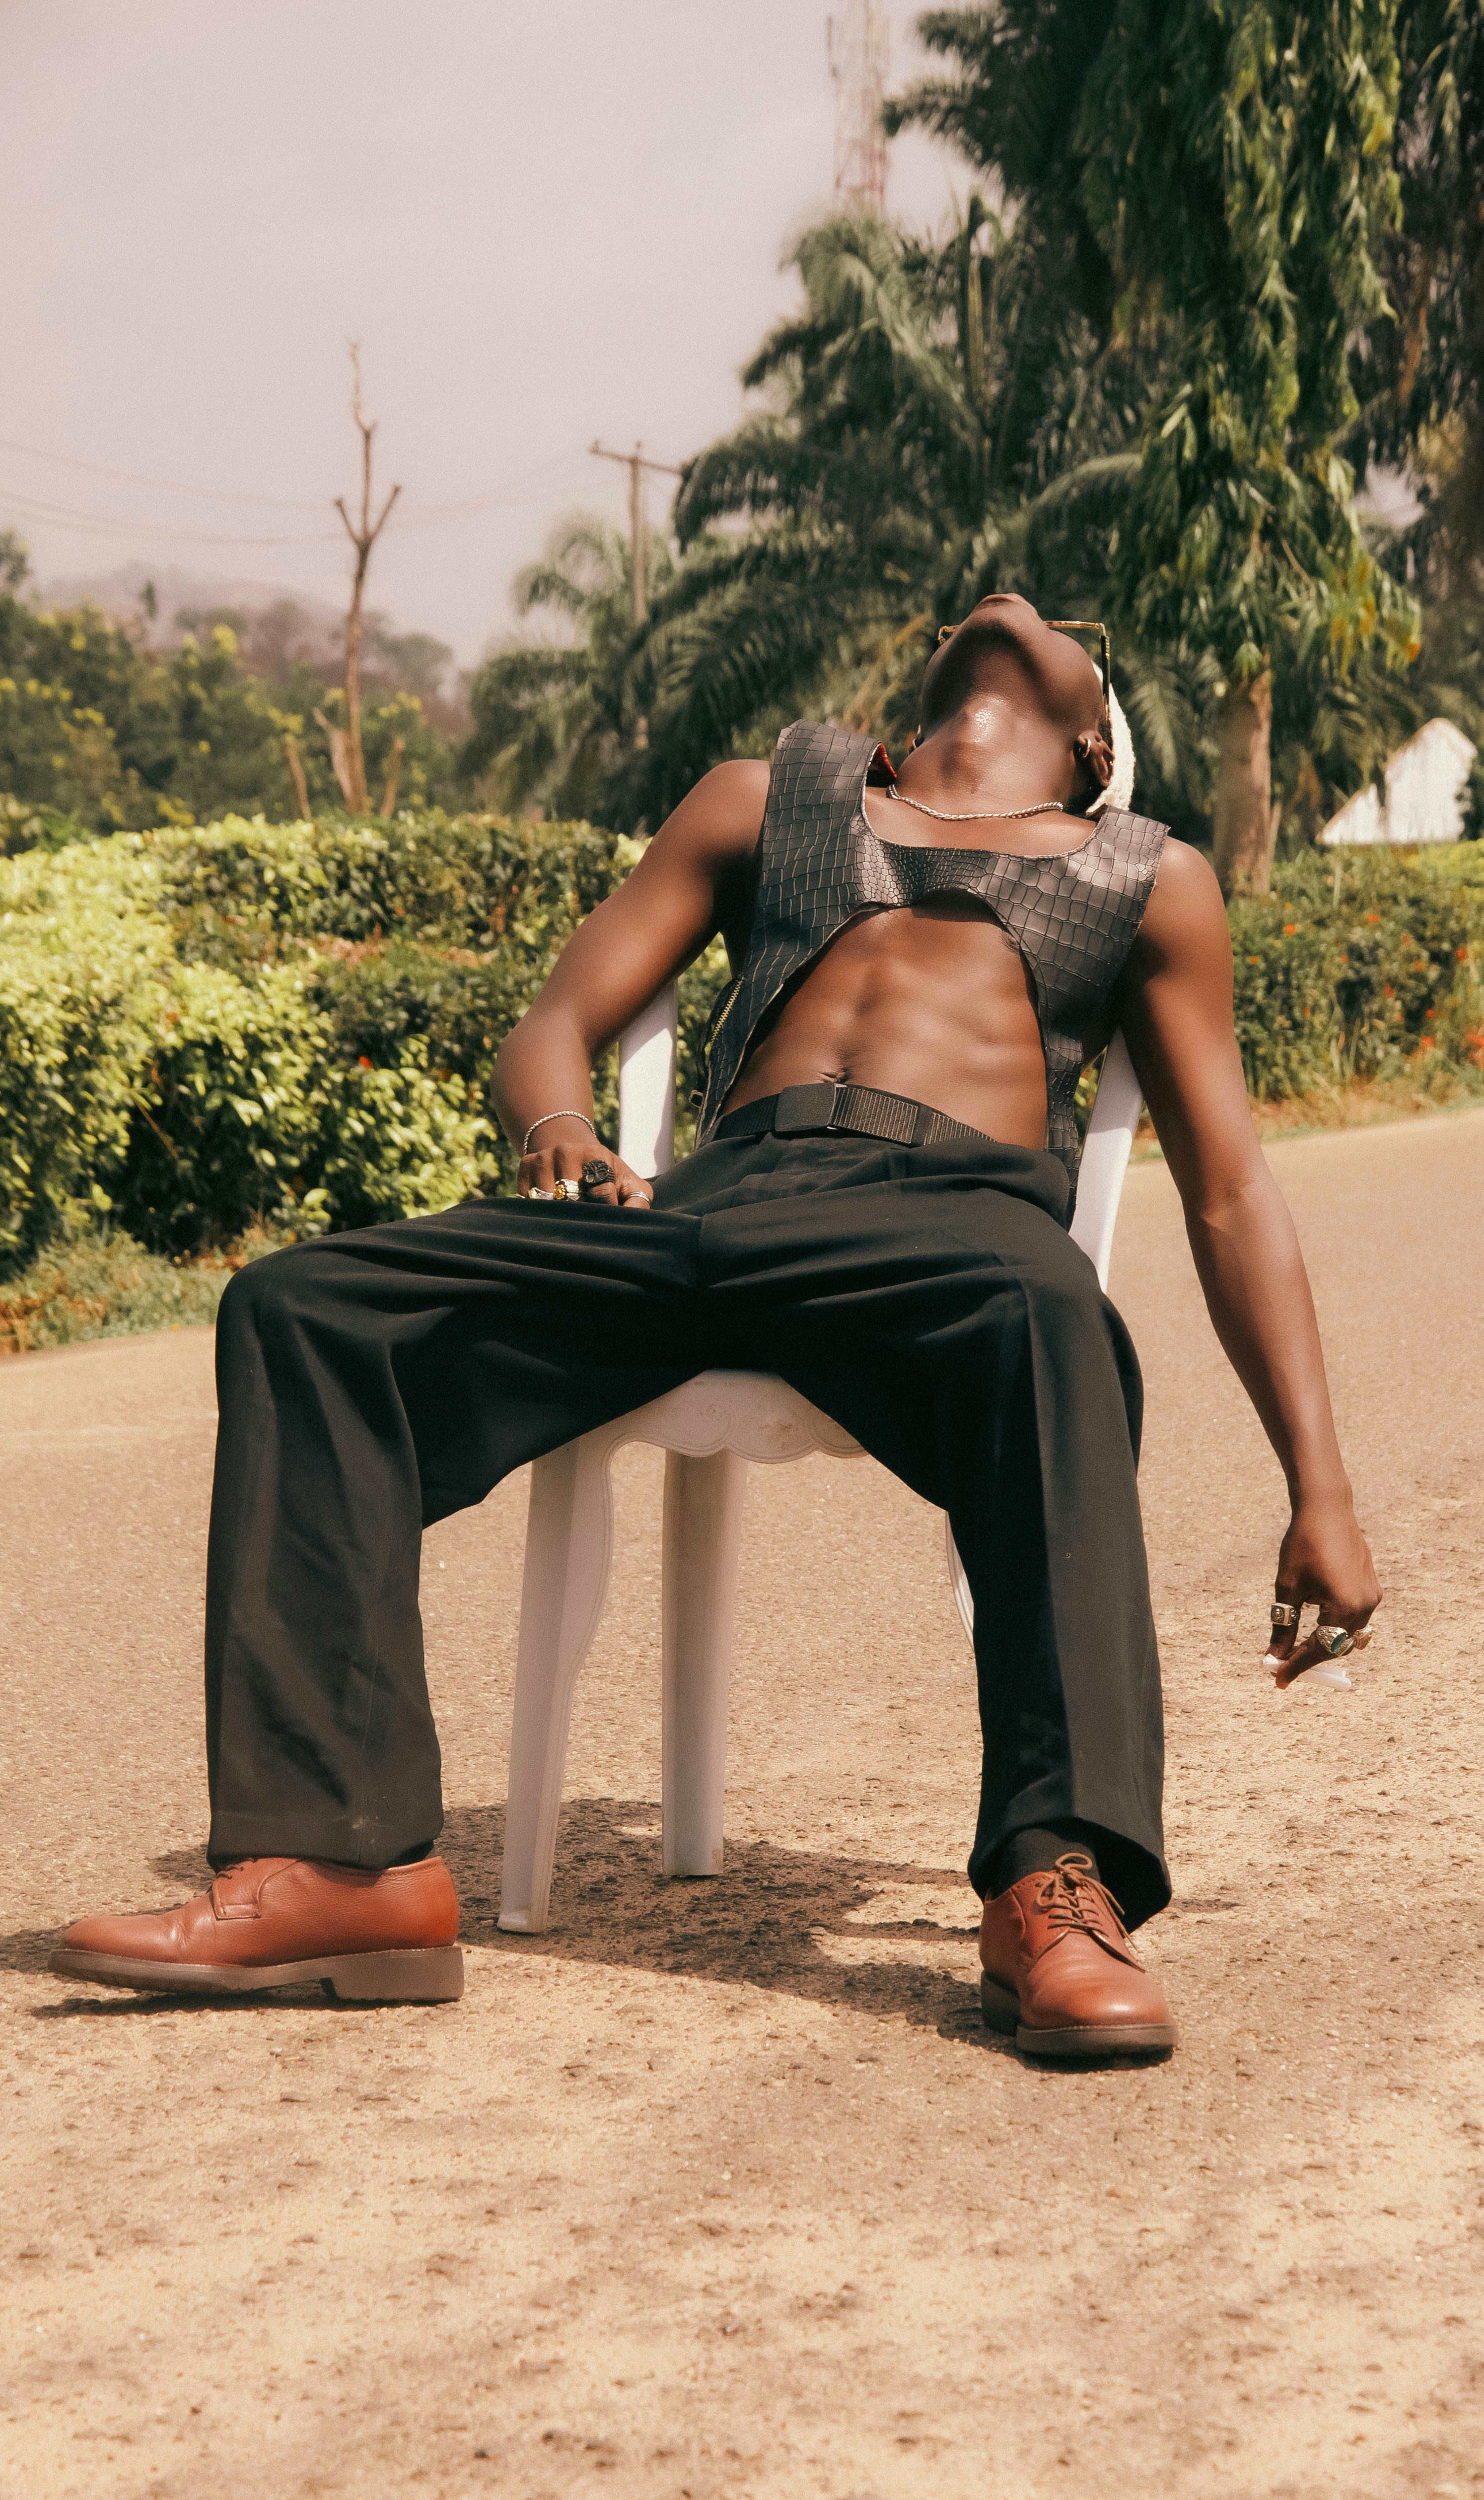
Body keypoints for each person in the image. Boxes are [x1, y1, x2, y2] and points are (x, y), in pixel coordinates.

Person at [52, 594, 1380, 2059]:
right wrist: (562, 1126)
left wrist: (1320, 1488)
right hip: (705, 1211)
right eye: (995, 606)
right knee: (305, 1307)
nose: (1027, 603)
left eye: (1070, 620)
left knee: (1057, 1313)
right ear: (908, 695)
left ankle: (1052, 1887)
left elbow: (1233, 1193)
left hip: (947, 1232)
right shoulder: (772, 795)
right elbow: (556, 1021)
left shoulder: (1150, 873)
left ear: (1089, 747)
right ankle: (340, 1865)